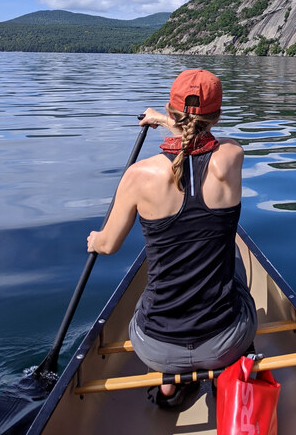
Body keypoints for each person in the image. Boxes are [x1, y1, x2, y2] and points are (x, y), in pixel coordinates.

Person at [87, 68, 257, 408]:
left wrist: (94, 241)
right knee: (236, 262)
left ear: (170, 109)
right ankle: (229, 376)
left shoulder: (138, 176)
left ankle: (170, 386)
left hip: (155, 347)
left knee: (147, 296)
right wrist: (169, 122)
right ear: (218, 116)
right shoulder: (233, 157)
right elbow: (206, 141)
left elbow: (107, 246)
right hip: (226, 340)